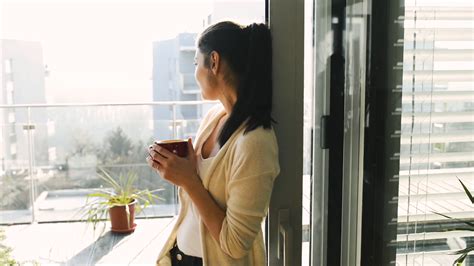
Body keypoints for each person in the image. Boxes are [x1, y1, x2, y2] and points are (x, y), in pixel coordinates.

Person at [146, 21, 280, 266]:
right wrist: (180, 167)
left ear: (214, 62)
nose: (195, 72)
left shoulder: (255, 143)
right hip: (180, 255)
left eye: (196, 63)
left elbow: (235, 243)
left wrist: (188, 180)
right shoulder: (214, 118)